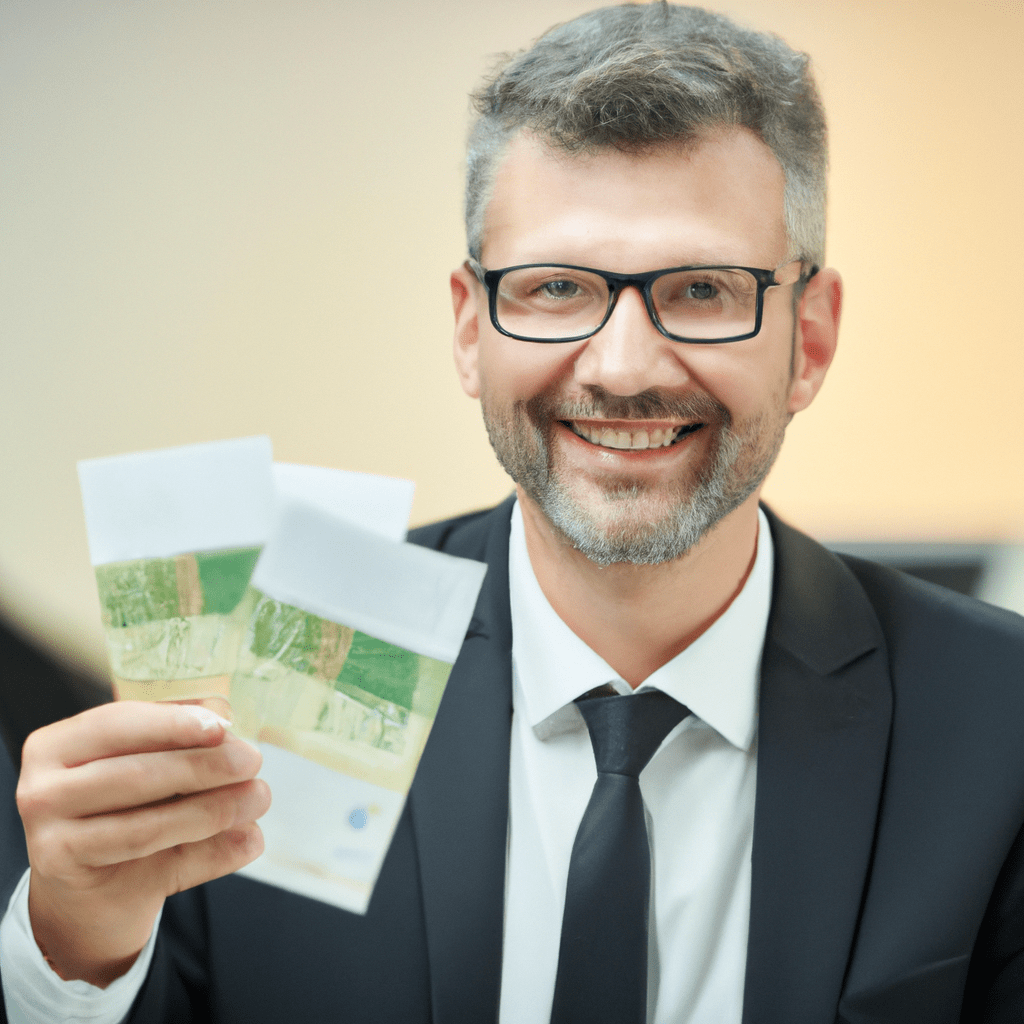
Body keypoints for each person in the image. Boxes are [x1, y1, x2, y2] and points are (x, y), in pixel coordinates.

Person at [3, 4, 1024, 1022]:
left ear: (808, 337)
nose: (623, 367)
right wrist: (77, 942)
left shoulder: (1001, 724)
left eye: (705, 289)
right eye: (553, 288)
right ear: (468, 326)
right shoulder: (268, 672)